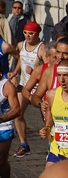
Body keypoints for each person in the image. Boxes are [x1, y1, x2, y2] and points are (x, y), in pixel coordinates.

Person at [9, 21, 45, 159]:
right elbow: (21, 60)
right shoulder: (20, 45)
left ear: (37, 34)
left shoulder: (42, 49)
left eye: (31, 34)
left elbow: (48, 67)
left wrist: (36, 71)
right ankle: (24, 145)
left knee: (46, 118)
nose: (28, 36)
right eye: (25, 33)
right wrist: (15, 72)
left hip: (39, 88)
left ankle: (51, 146)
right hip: (24, 85)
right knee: (17, 113)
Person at [0, 76, 20, 178]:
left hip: (4, 127)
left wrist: (2, 119)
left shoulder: (7, 86)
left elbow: (16, 109)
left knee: (1, 159)